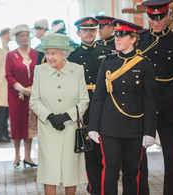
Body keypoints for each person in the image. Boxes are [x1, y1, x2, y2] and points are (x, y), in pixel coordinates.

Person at [88, 19, 157, 195]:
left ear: (133, 39)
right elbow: (99, 97)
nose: (117, 39)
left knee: (131, 172)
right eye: (117, 35)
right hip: (109, 127)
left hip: (135, 127)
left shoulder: (144, 64)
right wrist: (93, 126)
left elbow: (150, 101)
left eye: (122, 35)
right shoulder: (108, 62)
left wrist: (149, 131)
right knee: (110, 170)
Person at [30, 33, 89, 195]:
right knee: (49, 172)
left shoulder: (77, 70)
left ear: (64, 53)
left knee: (71, 171)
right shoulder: (39, 71)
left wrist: (66, 116)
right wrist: (50, 116)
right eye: (47, 53)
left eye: (53, 53)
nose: (49, 57)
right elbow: (34, 100)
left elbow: (84, 100)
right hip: (48, 128)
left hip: (70, 128)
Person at [138, 0, 173, 194]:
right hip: (141, 106)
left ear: (167, 16)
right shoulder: (139, 39)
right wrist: (147, 104)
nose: (157, 22)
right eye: (153, 18)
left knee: (171, 156)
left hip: (167, 105)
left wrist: (161, 104)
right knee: (140, 156)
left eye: (160, 17)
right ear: (148, 17)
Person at [67, 16, 112, 195]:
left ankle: (101, 187)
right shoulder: (72, 55)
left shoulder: (106, 51)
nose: (89, 33)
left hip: (104, 108)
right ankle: (94, 188)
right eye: (85, 30)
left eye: (92, 30)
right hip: (83, 109)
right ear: (78, 33)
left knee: (104, 152)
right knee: (90, 154)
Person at [5, 24, 38, 168]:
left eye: (27, 35)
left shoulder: (36, 54)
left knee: (30, 125)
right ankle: (17, 155)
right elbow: (8, 75)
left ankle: (28, 157)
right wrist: (22, 88)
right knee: (18, 124)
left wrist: (33, 88)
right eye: (21, 36)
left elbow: (41, 72)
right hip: (17, 95)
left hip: (33, 94)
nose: (25, 38)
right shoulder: (11, 55)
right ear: (17, 39)